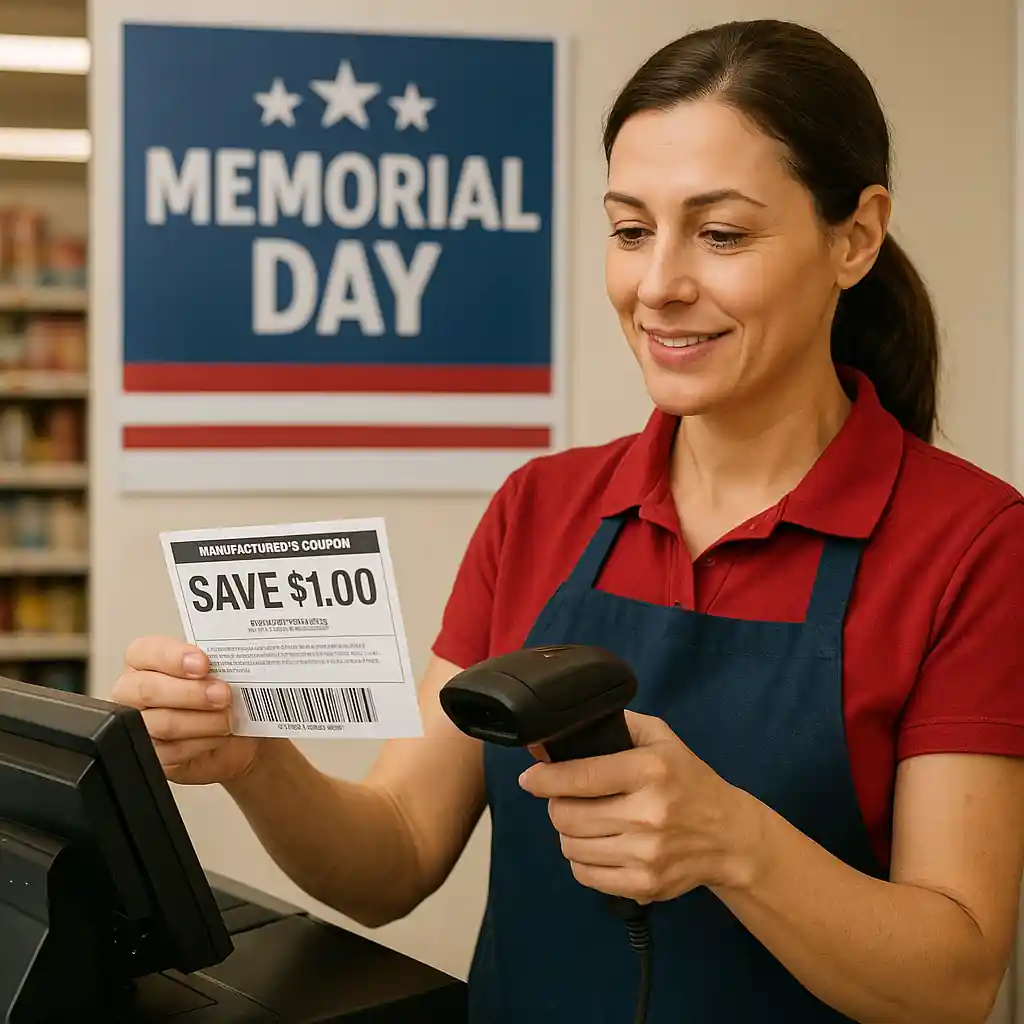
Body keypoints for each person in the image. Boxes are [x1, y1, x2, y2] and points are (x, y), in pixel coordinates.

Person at [111, 18, 1024, 1023]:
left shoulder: (973, 543)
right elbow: (398, 850)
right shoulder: (539, 507)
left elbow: (952, 983)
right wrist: (256, 759)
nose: (658, 285)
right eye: (631, 231)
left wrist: (732, 843)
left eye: (721, 234)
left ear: (854, 237)